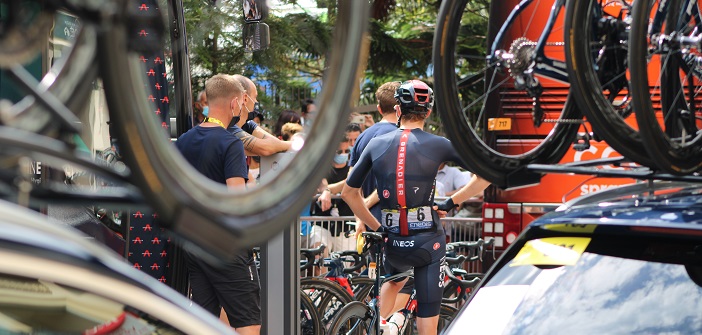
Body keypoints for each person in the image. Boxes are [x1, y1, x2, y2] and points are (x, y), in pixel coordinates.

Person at [342, 80, 490, 335]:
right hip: (427, 242)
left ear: (398, 110)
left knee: (395, 281)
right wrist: (450, 202)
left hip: (392, 241)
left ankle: (374, 326)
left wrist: (378, 228)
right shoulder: (439, 144)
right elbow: (485, 177)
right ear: (429, 112)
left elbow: (348, 193)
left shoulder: (376, 144)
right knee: (427, 315)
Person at [175, 74, 261, 335]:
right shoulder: (230, 143)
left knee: (205, 321)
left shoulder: (184, 141)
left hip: (193, 242)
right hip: (225, 245)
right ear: (235, 103)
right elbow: (236, 198)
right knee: (248, 321)